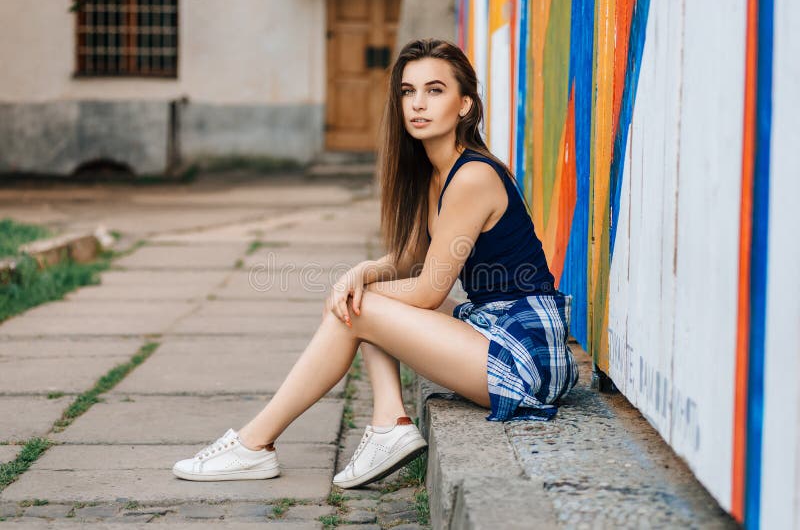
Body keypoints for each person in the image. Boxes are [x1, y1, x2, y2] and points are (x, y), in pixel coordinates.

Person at [172, 38, 579, 488]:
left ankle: (257, 443)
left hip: (526, 352)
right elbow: (410, 258)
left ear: (465, 105)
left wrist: (356, 293)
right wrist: (363, 271)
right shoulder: (438, 174)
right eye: (408, 92)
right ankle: (385, 423)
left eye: (435, 90)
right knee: (360, 303)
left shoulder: (473, 177)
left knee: (357, 309)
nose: (418, 104)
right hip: (494, 328)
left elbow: (428, 290)